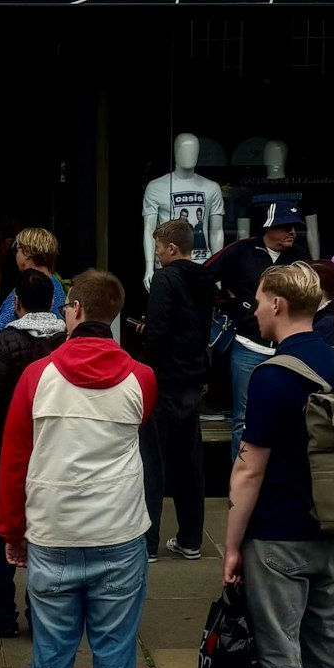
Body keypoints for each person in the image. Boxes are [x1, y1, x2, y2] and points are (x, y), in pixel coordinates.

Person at [0, 269, 164, 668]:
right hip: (118, 531)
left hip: (54, 530)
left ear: (72, 309)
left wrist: (12, 531)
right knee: (116, 655)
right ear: (113, 314)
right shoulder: (142, 378)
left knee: (51, 653)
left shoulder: (36, 377)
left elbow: (14, 462)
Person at [219, 262, 334, 668]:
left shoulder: (272, 375)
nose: (255, 310)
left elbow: (248, 468)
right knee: (333, 645)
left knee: (279, 652)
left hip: (277, 534)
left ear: (278, 304)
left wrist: (232, 545)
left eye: (258, 300)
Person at [0, 271, 65, 639]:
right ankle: (42, 614)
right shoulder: (65, 339)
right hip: (55, 447)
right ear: (54, 303)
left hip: (13, 450)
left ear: (17, 304)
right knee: (48, 531)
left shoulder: (6, 341)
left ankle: (1, 612)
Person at [137, 218, 214, 563]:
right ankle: (191, 539)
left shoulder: (165, 279)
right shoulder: (204, 278)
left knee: (153, 461)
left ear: (171, 248)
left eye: (157, 249)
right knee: (189, 462)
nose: (157, 256)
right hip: (193, 377)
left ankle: (149, 543)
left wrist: (145, 362)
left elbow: (158, 330)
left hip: (165, 378)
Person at [207, 202, 308, 455]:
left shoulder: (300, 257)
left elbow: (315, 295)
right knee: (243, 419)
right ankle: (240, 491)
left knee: (290, 417)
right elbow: (203, 275)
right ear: (268, 227)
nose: (292, 232)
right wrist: (229, 303)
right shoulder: (242, 250)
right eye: (285, 227)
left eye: (295, 227)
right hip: (248, 347)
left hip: (288, 350)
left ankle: (276, 487)